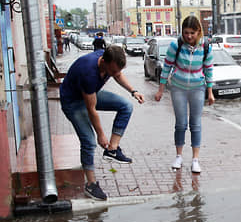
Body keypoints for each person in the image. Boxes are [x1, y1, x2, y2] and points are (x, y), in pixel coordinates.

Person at [60, 45, 145, 200]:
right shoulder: (88, 73)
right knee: (89, 141)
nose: (114, 74)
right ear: (104, 62)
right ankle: (91, 184)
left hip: (89, 93)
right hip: (72, 102)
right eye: (111, 71)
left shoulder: (108, 57)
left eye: (117, 70)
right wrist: (101, 135)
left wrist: (133, 91)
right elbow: (91, 109)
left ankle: (112, 149)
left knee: (126, 106)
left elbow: (118, 75)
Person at [154, 15, 215, 173]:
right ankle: (179, 156)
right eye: (186, 32)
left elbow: (208, 69)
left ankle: (195, 159)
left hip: (198, 88)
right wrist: (161, 89)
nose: (188, 36)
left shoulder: (206, 46)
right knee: (181, 123)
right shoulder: (176, 45)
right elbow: (166, 67)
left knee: (195, 124)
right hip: (178, 88)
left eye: (192, 33)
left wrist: (210, 92)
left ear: (198, 32)